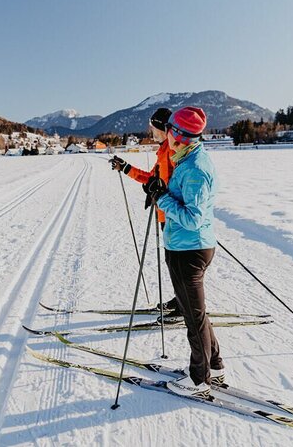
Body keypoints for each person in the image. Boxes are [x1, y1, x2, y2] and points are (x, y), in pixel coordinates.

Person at [144, 106, 224, 398]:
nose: (168, 137)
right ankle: (213, 365)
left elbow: (192, 217)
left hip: (188, 250)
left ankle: (199, 379)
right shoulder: (187, 159)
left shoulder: (194, 169)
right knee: (197, 313)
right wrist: (159, 188)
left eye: (171, 133)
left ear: (180, 136)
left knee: (194, 319)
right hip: (185, 246)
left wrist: (161, 197)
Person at [109, 108, 183, 320]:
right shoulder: (162, 151)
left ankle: (184, 307)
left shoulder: (172, 151)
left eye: (153, 126)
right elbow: (153, 177)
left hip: (172, 213)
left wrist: (159, 188)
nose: (151, 130)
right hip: (164, 213)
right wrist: (126, 168)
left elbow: (173, 183)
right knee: (172, 261)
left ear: (163, 128)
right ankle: (180, 299)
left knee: (178, 263)